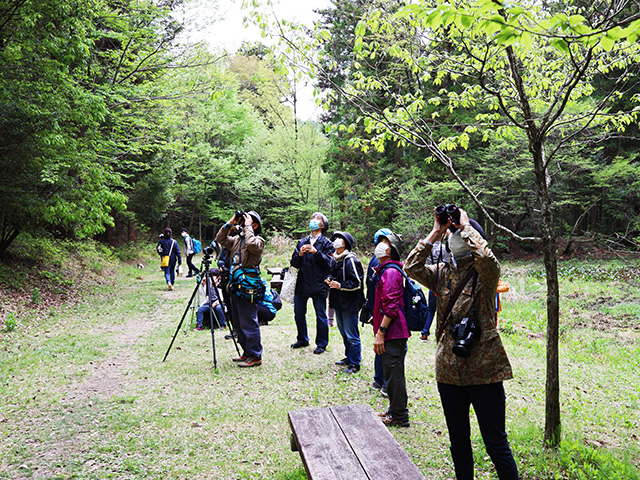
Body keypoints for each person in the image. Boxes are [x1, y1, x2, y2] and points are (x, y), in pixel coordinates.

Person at [404, 207, 519, 480]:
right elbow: (411, 267)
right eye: (452, 234)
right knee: (459, 443)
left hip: (484, 370)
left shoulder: (485, 274)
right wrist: (437, 230)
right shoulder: (442, 272)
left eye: (459, 234)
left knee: (495, 443)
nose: (454, 237)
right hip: (449, 370)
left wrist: (466, 228)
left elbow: (490, 262)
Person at [216, 211, 265, 368]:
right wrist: (230, 223)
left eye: (246, 221)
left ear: (254, 225)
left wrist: (248, 226)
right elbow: (220, 239)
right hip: (235, 284)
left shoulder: (258, 240)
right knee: (237, 321)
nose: (243, 223)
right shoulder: (237, 239)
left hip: (248, 285)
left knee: (248, 321)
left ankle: (256, 355)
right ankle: (247, 352)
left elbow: (251, 245)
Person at [372, 231, 411, 428]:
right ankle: (394, 410)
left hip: (393, 332)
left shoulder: (390, 272)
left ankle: (399, 416)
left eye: (385, 242)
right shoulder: (386, 270)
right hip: (392, 332)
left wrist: (381, 332)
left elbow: (391, 306)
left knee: (394, 374)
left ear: (391, 249)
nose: (380, 245)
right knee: (391, 372)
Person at [290, 212, 335, 354]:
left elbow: (329, 264)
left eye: (317, 219)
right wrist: (300, 255)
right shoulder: (302, 242)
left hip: (318, 283)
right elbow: (294, 263)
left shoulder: (327, 244)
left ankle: (321, 343)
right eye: (312, 218)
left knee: (321, 315)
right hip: (302, 283)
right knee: (298, 313)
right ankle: (302, 338)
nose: (313, 221)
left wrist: (316, 252)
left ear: (323, 225)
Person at [327, 231, 363, 374]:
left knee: (352, 334)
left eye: (340, 238)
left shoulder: (351, 260)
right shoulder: (334, 259)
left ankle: (355, 363)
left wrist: (340, 285)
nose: (336, 241)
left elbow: (357, 282)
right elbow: (331, 273)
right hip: (338, 302)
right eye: (335, 238)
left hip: (349, 303)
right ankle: (349, 357)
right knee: (343, 332)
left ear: (346, 243)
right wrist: (329, 279)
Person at [366, 228, 392, 396]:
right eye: (381, 241)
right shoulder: (378, 262)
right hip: (380, 311)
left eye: (386, 241)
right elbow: (371, 287)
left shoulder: (383, 263)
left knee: (381, 343)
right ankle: (381, 381)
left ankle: (380, 380)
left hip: (381, 310)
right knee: (384, 344)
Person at [420, 239, 450, 341]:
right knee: (445, 309)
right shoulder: (445, 248)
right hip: (444, 282)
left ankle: (424, 332)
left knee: (431, 309)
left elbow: (427, 266)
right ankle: (442, 333)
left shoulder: (430, 250)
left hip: (433, 283)